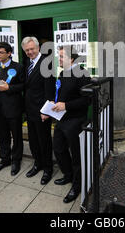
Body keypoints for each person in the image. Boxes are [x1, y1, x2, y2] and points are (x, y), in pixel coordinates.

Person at [43, 46, 90, 203]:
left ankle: (77, 186)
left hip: (75, 120)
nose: (59, 59)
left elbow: (86, 100)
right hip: (60, 118)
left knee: (76, 154)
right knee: (59, 149)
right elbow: (60, 95)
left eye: (62, 57)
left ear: (72, 59)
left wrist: (66, 106)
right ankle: (68, 176)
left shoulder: (83, 74)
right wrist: (52, 105)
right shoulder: (63, 73)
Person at [21, 37, 54, 185]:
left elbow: (49, 89)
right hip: (30, 109)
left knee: (44, 140)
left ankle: (48, 169)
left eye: (32, 49)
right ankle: (37, 163)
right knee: (33, 140)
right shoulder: (27, 62)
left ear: (38, 47)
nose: (30, 52)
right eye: (27, 50)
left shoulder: (47, 63)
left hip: (42, 111)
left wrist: (47, 111)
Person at [0, 42, 25, 176]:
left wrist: (9, 88)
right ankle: (4, 160)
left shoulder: (19, 67)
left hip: (13, 108)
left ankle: (16, 160)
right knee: (3, 137)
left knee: (16, 136)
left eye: (0, 52)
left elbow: (23, 86)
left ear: (9, 53)